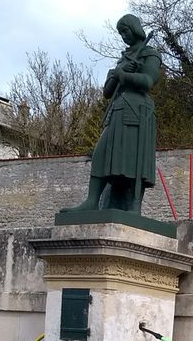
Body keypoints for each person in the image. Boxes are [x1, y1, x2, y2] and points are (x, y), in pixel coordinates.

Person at [61, 15, 161, 215]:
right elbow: (107, 92)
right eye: (121, 33)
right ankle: (91, 201)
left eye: (126, 31)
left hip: (139, 112)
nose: (124, 36)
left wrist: (125, 75)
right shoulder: (123, 59)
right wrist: (117, 73)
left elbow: (148, 81)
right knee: (101, 153)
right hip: (117, 111)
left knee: (136, 161)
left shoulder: (150, 54)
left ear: (135, 29)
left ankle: (134, 206)